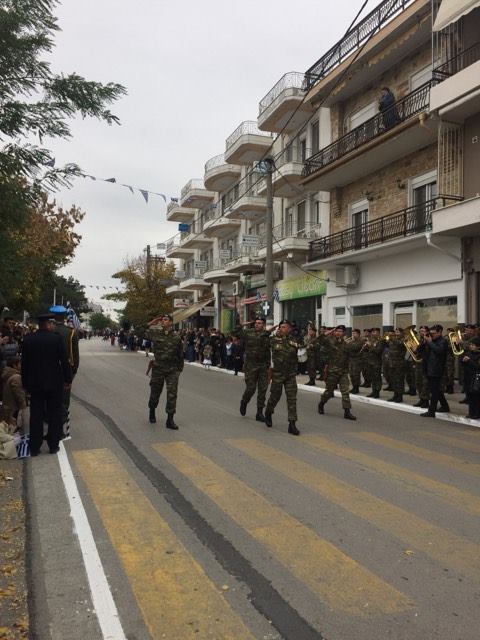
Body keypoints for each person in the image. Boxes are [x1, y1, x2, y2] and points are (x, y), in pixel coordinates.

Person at [21, 313, 72, 455]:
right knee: (54, 414)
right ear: (48, 324)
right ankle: (53, 445)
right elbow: (64, 361)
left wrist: (25, 384)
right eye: (52, 323)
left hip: (35, 383)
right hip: (54, 382)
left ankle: (35, 446)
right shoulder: (57, 339)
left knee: (36, 414)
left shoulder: (28, 339)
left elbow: (24, 364)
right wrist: (68, 379)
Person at [146, 314, 183, 429]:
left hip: (172, 369)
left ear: (171, 322)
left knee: (172, 394)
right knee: (155, 392)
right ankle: (152, 411)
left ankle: (170, 420)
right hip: (158, 368)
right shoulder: (156, 333)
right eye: (162, 320)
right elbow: (139, 330)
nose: (163, 321)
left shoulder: (176, 337)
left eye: (165, 320)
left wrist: (178, 370)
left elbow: (180, 354)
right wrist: (153, 321)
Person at [317, 325, 361, 420]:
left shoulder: (347, 343)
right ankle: (321, 403)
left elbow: (353, 352)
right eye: (337, 331)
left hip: (343, 371)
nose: (338, 333)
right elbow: (320, 340)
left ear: (344, 333)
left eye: (340, 331)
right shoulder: (330, 341)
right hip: (332, 371)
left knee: (345, 392)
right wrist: (326, 333)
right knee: (329, 392)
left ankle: (347, 411)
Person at [264, 320, 300, 435]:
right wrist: (270, 331)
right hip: (278, 374)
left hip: (290, 375)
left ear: (289, 329)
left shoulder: (294, 340)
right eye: (281, 327)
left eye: (284, 327)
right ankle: (268, 412)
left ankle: (292, 423)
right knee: (275, 397)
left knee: (292, 399)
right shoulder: (273, 340)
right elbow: (261, 339)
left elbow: (303, 348)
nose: (282, 329)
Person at [50, 305, 80, 439]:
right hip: (65, 370)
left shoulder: (49, 330)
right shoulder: (71, 332)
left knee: (50, 397)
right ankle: (61, 427)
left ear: (54, 317)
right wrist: (73, 371)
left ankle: (49, 422)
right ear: (64, 317)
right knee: (63, 400)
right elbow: (75, 355)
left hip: (49, 369)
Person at [233, 317, 271, 422]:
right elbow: (235, 333)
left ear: (263, 325)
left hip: (263, 365)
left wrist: (268, 366)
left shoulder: (266, 335)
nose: (257, 324)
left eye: (259, 323)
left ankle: (259, 412)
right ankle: (244, 401)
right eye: (256, 323)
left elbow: (268, 351)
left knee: (263, 389)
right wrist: (241, 325)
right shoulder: (248, 333)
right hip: (251, 365)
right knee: (251, 388)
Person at [416, 324, 450, 418]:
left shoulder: (443, 341)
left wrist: (430, 342)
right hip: (428, 368)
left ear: (439, 332)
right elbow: (418, 350)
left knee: (434, 391)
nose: (432, 335)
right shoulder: (430, 341)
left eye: (434, 333)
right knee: (436, 390)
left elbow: (440, 351)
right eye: (430, 333)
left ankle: (431, 411)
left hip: (437, 369)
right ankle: (445, 406)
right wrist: (424, 341)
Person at [1, 356, 27, 428]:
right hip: (13, 408)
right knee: (13, 429)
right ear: (14, 365)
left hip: (7, 406)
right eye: (20, 364)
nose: (21, 365)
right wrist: (23, 407)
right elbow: (19, 394)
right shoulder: (16, 377)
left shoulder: (7, 374)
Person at [364, 328, 385, 399]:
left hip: (377, 362)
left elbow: (378, 351)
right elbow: (368, 351)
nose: (373, 333)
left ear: (378, 333)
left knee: (377, 378)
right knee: (372, 377)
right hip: (370, 362)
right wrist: (366, 346)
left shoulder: (381, 341)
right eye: (372, 332)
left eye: (375, 332)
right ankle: (373, 391)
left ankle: (377, 392)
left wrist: (370, 345)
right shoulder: (371, 340)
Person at [462, 337, 480, 419]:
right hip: (468, 377)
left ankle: (477, 413)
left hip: (476, 377)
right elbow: (463, 365)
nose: (471, 346)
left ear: (478, 346)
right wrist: (463, 361)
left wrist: (469, 361)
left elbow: (477, 367)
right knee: (470, 396)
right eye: (471, 345)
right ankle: (471, 412)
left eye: (473, 345)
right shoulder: (468, 353)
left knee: (476, 396)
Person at [387, 328, 406, 403]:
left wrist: (392, 338)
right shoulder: (393, 340)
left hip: (399, 363)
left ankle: (400, 396)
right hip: (392, 363)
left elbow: (400, 344)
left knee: (399, 380)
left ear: (401, 333)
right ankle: (395, 395)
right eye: (395, 332)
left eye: (398, 332)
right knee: (394, 380)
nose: (396, 333)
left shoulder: (403, 339)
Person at [349, 328, 363, 394]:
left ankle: (356, 388)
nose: (353, 335)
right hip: (351, 360)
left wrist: (349, 344)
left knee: (356, 375)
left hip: (357, 360)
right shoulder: (352, 341)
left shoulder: (361, 341)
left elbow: (355, 348)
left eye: (354, 333)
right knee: (351, 374)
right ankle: (354, 387)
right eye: (352, 333)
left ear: (358, 334)